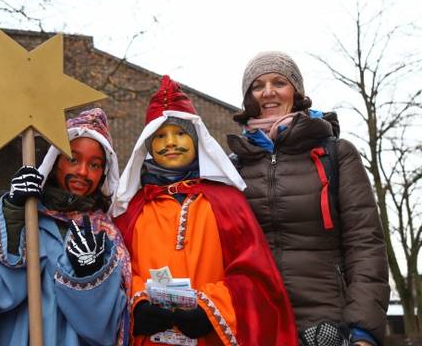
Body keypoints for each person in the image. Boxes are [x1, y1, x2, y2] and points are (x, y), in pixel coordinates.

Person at [113, 76, 298, 346]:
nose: (170, 142)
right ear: (148, 145)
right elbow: (117, 271)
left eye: (180, 134)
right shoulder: (130, 209)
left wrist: (211, 308)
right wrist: (137, 302)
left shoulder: (228, 202)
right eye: (160, 136)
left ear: (196, 139)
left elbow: (254, 276)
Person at [227, 51, 390, 346]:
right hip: (256, 324)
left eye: (279, 82)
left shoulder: (336, 154)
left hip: (326, 325)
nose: (268, 92)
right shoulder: (233, 165)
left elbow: (365, 244)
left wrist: (364, 331)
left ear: (297, 92)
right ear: (248, 97)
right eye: (258, 85)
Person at [0, 108, 130, 346]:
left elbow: (105, 330)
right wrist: (14, 214)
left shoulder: (106, 235)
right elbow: (0, 293)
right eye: (73, 159)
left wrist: (90, 276)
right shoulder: (24, 215)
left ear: (104, 173)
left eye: (94, 164)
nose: (82, 172)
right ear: (56, 160)